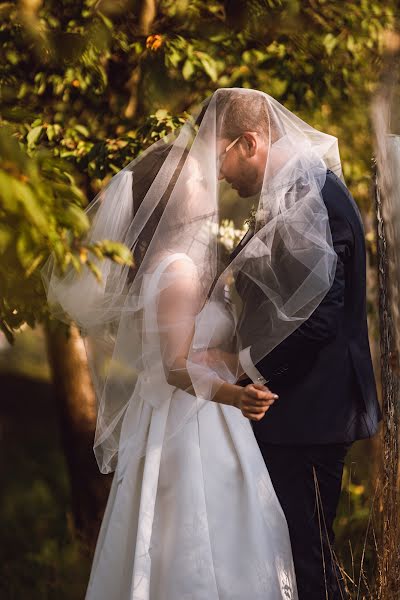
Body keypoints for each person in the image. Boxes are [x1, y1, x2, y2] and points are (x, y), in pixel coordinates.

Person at [41, 88, 345, 599]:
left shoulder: (179, 267)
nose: (212, 180)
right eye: (199, 180)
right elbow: (178, 367)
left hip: (195, 420)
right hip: (196, 427)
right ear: (173, 201)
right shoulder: (178, 271)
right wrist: (235, 393)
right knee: (201, 546)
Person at [216, 91, 382, 598]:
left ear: (249, 142)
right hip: (305, 409)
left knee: (308, 563)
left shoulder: (311, 196)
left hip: (312, 410)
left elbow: (320, 318)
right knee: (294, 557)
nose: (221, 175)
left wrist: (244, 370)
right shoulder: (301, 188)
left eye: (220, 157)